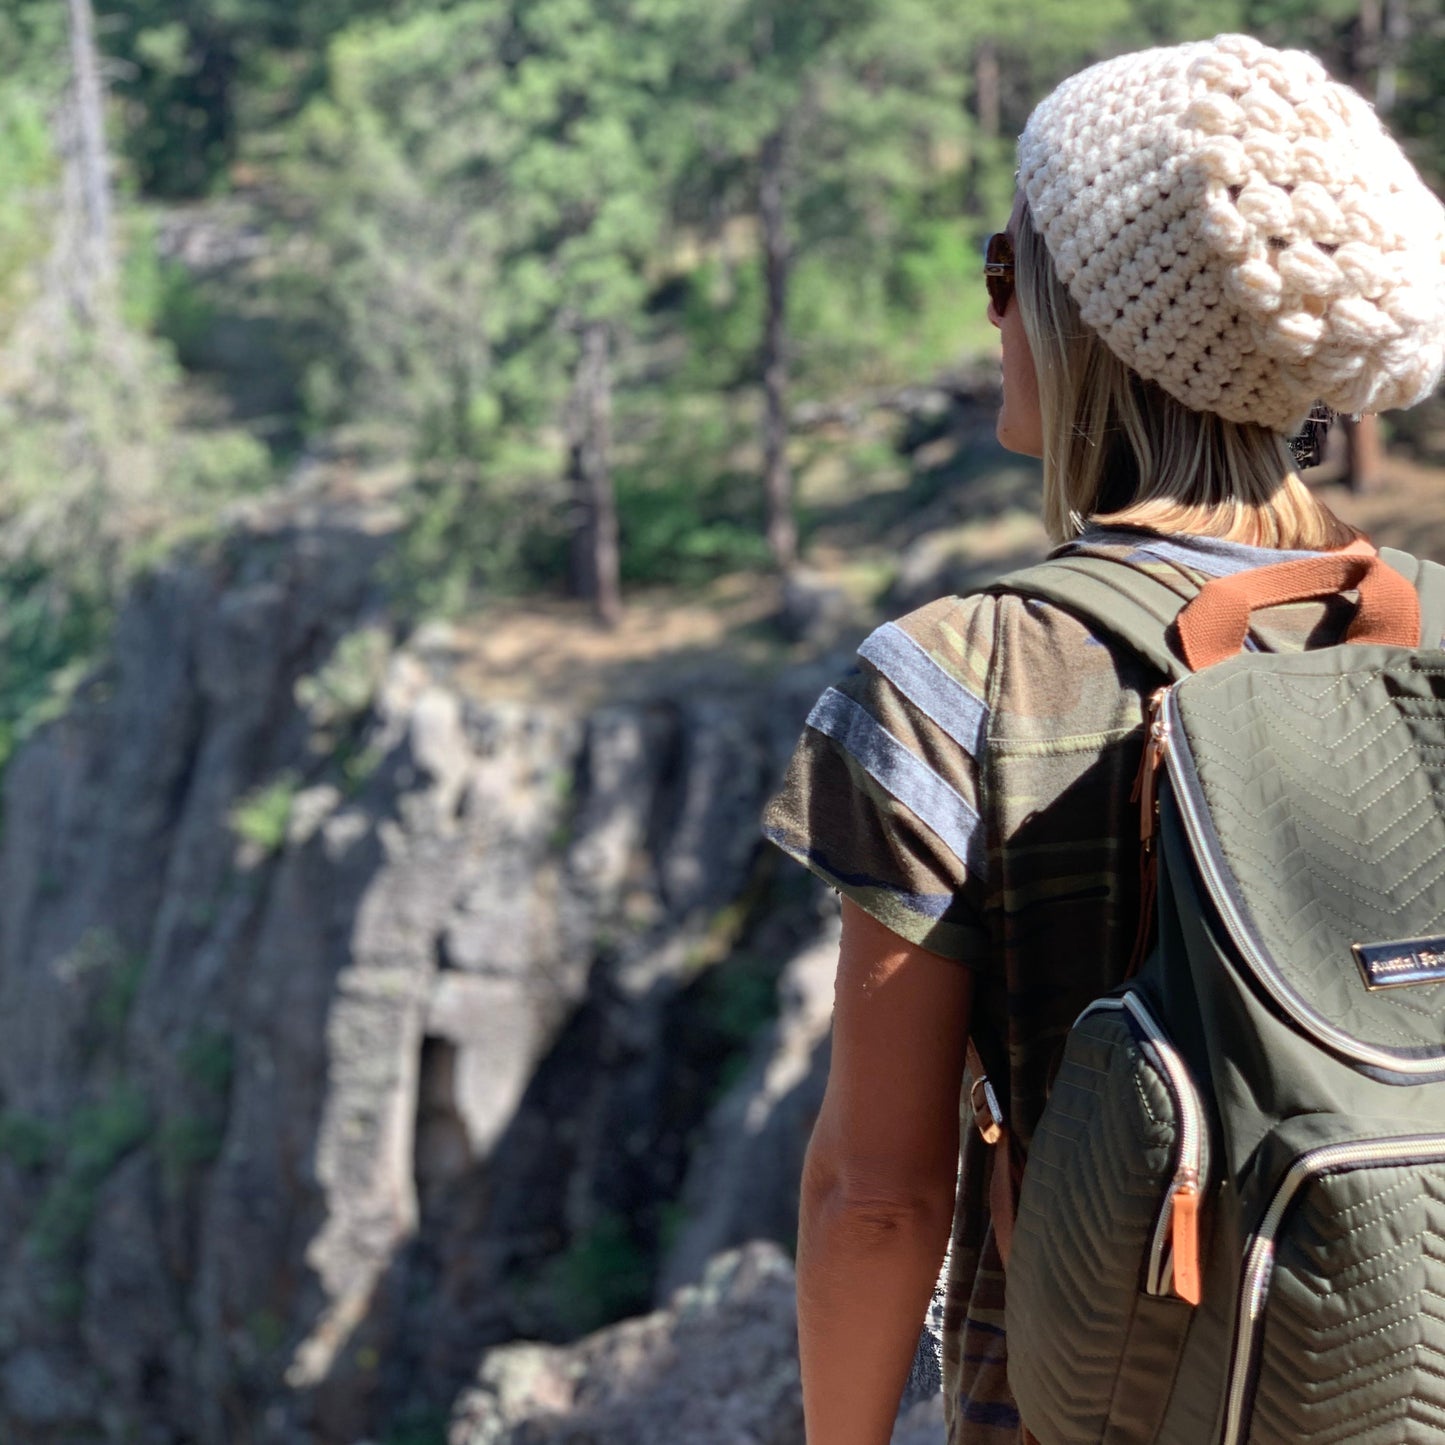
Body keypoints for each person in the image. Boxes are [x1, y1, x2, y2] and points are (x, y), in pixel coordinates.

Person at [762, 32, 1445, 1445]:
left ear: (1088, 324)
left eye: (1004, 272)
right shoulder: (1434, 637)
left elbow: (877, 1197)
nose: (994, 320)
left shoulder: (955, 679)